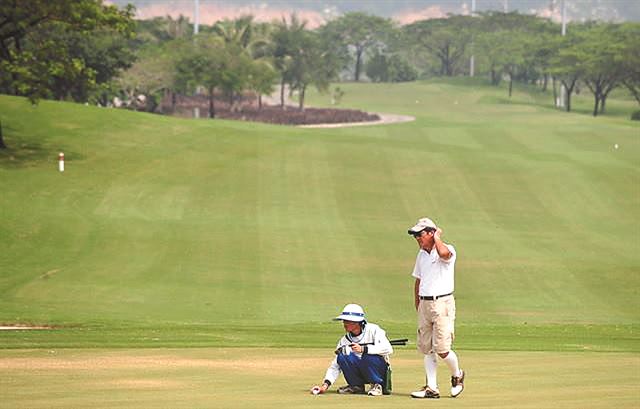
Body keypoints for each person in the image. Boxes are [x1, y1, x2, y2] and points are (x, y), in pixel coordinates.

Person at [407, 217, 465, 399]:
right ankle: (431, 388)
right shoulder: (421, 254)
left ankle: (457, 375)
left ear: (431, 233)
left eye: (420, 234)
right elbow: (418, 279)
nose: (417, 238)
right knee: (427, 348)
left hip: (442, 303)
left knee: (442, 349)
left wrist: (438, 236)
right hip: (425, 303)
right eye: (415, 235)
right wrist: (418, 302)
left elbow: (444, 254)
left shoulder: (447, 249)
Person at [309, 303, 393, 397]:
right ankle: (356, 386)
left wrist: (364, 349)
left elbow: (388, 349)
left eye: (347, 321)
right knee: (342, 356)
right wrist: (325, 386)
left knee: (367, 355)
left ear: (357, 322)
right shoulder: (344, 340)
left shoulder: (374, 330)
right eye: (344, 321)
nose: (344, 324)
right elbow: (335, 365)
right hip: (361, 370)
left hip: (379, 371)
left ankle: (377, 385)